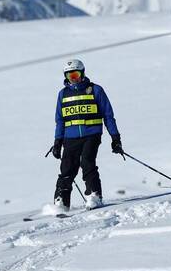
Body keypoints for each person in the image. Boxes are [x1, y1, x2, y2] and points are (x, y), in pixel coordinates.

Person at [51, 58, 122, 209]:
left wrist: (115, 138)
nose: (73, 79)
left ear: (82, 73)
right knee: (67, 168)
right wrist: (57, 142)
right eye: (70, 76)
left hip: (92, 134)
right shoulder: (62, 94)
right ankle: (61, 201)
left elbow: (108, 116)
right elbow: (60, 120)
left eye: (75, 75)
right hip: (70, 137)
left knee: (87, 162)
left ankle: (94, 195)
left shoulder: (96, 90)